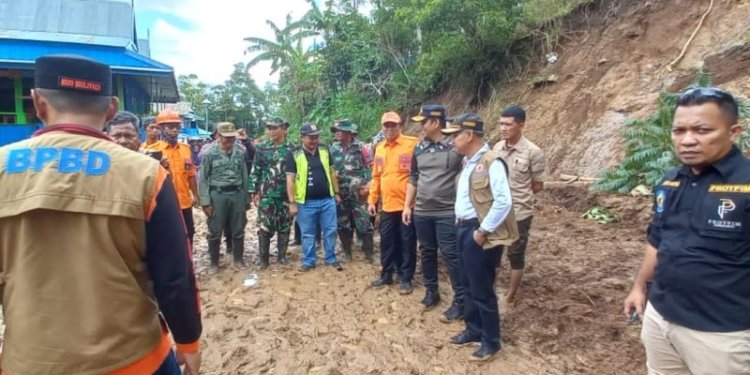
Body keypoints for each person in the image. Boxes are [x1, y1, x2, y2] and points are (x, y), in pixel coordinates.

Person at [0, 55, 201, 374]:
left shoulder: (3, 168)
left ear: (38, 103)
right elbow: (175, 276)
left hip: (30, 362)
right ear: (111, 108)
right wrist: (189, 342)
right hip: (134, 359)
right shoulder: (145, 175)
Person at [623, 87, 750, 375]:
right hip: (660, 318)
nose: (688, 140)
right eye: (679, 131)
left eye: (702, 130)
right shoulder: (671, 181)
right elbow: (657, 240)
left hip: (720, 334)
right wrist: (639, 287)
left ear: (734, 131)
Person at [442, 113, 518, 361]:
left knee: (482, 288)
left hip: (478, 232)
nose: (452, 140)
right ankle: (473, 330)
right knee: (467, 282)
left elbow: (504, 201)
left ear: (469, 134)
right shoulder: (468, 161)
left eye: (455, 135)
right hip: (464, 229)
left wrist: (482, 231)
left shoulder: (491, 161)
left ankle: (491, 340)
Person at [403, 104, 465, 319]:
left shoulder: (456, 147)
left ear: (436, 122)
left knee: (451, 256)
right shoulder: (419, 148)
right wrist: (407, 206)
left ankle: (460, 301)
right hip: (422, 211)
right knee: (427, 252)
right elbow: (413, 177)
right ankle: (432, 292)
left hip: (447, 211)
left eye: (424, 121)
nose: (420, 125)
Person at [492, 106, 546, 305]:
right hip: (497, 211)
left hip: (519, 212)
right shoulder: (497, 148)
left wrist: (517, 196)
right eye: (501, 124)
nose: (503, 128)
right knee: (493, 251)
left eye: (508, 124)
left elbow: (537, 185)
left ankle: (509, 296)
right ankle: (492, 288)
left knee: (515, 254)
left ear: (521, 125)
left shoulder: (533, 152)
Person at [368, 111, 419, 294]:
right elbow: (376, 176)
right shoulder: (380, 148)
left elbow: (418, 174)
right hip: (388, 205)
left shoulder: (412, 144)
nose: (389, 128)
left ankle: (406, 277)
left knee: (407, 242)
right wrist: (372, 200)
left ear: (400, 126)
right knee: (387, 241)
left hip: (407, 205)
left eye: (393, 125)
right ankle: (386, 274)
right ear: (382, 127)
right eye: (386, 125)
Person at [285, 123, 343, 271]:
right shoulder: (294, 154)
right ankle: (309, 261)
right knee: (308, 233)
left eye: (316, 137)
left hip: (327, 200)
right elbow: (290, 180)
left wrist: (336, 193)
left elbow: (332, 172)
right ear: (302, 137)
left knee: (330, 230)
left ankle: (330, 258)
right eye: (310, 137)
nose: (314, 140)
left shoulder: (324, 150)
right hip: (305, 202)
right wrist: (292, 202)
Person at [200, 122, 250, 274]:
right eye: (226, 138)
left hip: (237, 194)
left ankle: (238, 259)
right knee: (215, 229)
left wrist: (246, 197)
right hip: (218, 194)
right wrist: (205, 202)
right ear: (218, 136)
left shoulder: (240, 152)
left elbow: (244, 175)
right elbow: (203, 178)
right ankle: (214, 263)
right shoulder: (209, 153)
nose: (230, 141)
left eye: (232, 138)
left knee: (238, 227)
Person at [249, 118, 296, 268]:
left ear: (283, 129)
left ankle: (281, 257)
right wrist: (253, 190)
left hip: (286, 195)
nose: (271, 131)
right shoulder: (262, 148)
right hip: (267, 194)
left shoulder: (293, 148)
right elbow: (256, 169)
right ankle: (264, 260)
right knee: (264, 227)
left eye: (275, 128)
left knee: (285, 226)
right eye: (269, 128)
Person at [330, 119, 374, 262]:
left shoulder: (361, 147)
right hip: (341, 193)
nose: (337, 133)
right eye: (335, 131)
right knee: (343, 224)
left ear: (348, 131)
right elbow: (330, 170)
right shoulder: (333, 149)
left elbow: (370, 167)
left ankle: (369, 254)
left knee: (364, 222)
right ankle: (348, 253)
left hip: (359, 193)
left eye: (340, 130)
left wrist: (367, 187)